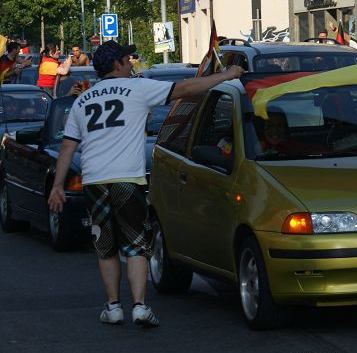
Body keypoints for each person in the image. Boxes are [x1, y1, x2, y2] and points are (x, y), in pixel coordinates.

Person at [47, 40, 243, 328]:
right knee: (136, 244)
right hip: (127, 178)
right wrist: (226, 75)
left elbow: (67, 147)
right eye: (128, 60)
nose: (132, 64)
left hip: (94, 181)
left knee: (105, 245)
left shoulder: (82, 101)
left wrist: (57, 185)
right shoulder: (137, 89)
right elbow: (187, 89)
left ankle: (113, 307)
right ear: (117, 64)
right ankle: (139, 306)